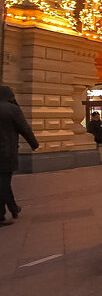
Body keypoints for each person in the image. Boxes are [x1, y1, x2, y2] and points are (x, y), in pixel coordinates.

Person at [0, 86, 39, 225]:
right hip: (6, 152)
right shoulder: (12, 109)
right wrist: (34, 143)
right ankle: (0, 216)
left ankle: (13, 208)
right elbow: (24, 128)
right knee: (4, 183)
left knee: (4, 182)